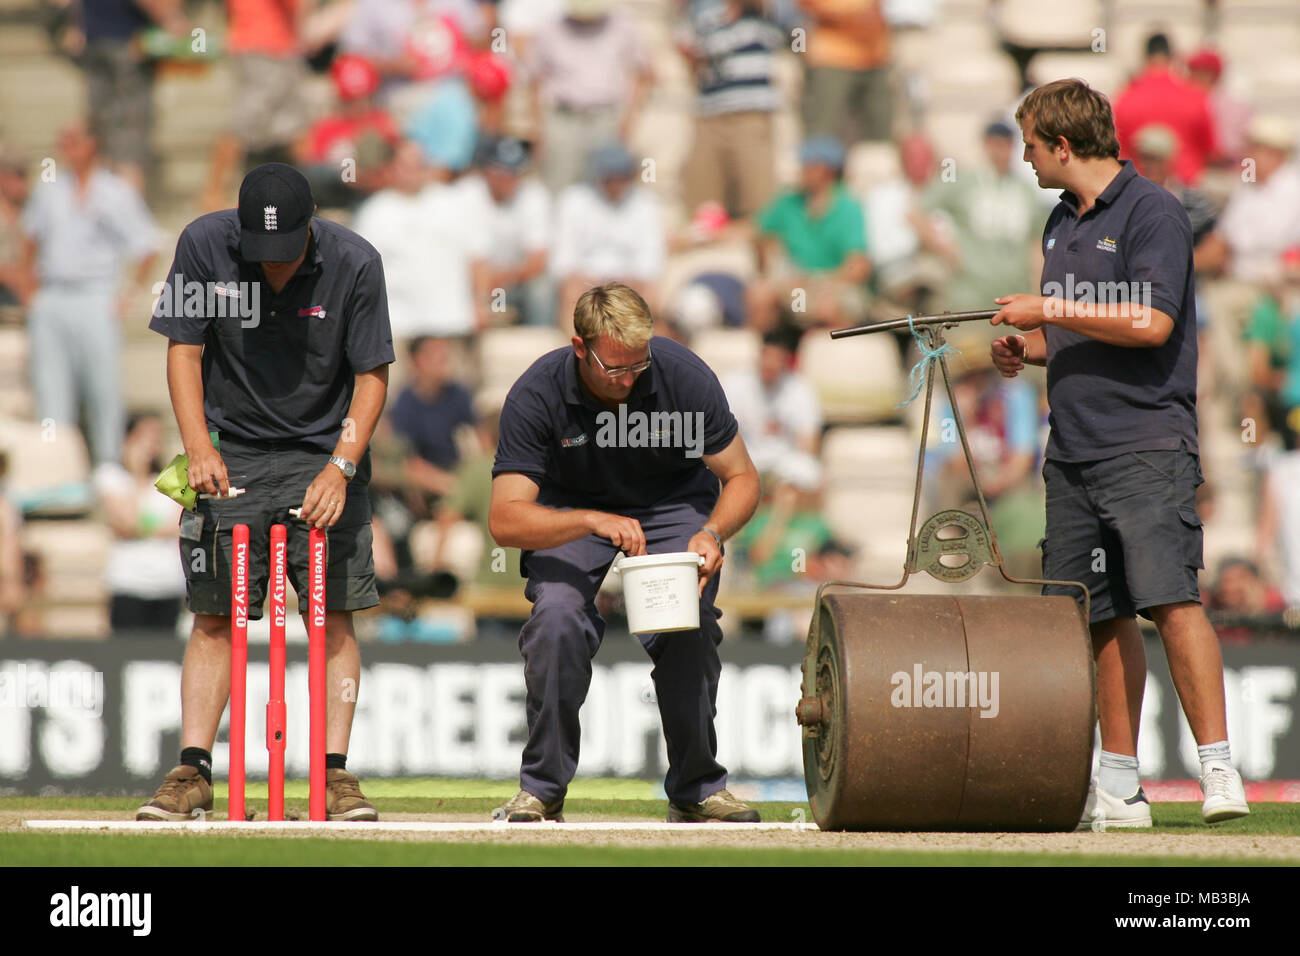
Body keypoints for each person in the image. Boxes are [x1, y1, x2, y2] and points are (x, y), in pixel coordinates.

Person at [990, 79, 1249, 828]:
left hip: (1145, 444)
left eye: (1033, 146)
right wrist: (1029, 348)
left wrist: (1049, 310)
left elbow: (1151, 324)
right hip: (1071, 450)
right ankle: (1121, 784)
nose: (1028, 159)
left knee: (1171, 600)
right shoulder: (1056, 221)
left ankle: (1218, 769)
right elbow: (1079, 333)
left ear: (1063, 146)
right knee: (1096, 616)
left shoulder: (1154, 211)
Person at [138, 163, 395, 821]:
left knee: (331, 613)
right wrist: (197, 445)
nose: (274, 267)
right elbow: (184, 351)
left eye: (287, 253)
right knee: (215, 615)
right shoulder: (204, 244)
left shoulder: (355, 261)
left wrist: (341, 465)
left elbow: (371, 376)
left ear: (313, 224)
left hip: (322, 453)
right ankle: (192, 771)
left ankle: (334, 776)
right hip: (232, 448)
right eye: (262, 254)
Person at [487, 281, 762, 822]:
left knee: (689, 622)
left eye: (639, 365)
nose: (629, 379)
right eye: (615, 369)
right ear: (578, 348)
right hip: (572, 510)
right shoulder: (537, 392)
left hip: (673, 504)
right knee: (558, 620)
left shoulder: (683, 375)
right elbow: (504, 519)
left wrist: (713, 533)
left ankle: (697, 786)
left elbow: (743, 478)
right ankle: (542, 788)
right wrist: (590, 520)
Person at [19, 120, 161, 468]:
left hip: (97, 293)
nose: (66, 147)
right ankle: (56, 467)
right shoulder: (49, 188)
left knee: (103, 387)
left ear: (93, 144)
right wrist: (31, 292)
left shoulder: (115, 191)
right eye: (63, 139)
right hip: (52, 293)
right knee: (51, 387)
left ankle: (108, 465)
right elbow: (29, 239)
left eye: (74, 139)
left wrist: (127, 294)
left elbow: (147, 245)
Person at [914, 120, 1047, 313]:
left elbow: (1035, 241)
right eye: (997, 145)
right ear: (985, 145)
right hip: (970, 295)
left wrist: (1038, 287)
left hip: (1015, 293)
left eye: (1007, 145)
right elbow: (916, 210)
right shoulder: (964, 180)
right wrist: (941, 246)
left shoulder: (1025, 188)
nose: (1002, 152)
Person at [527, 0, 653, 193]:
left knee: (603, 189)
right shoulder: (550, 27)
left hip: (606, 119)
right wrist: (538, 129)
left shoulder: (622, 25)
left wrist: (630, 119)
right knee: (556, 186)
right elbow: (534, 79)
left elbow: (643, 72)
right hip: (562, 119)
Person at [676, 0, 785, 220]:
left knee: (760, 203)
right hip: (710, 114)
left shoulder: (761, 14)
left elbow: (789, 25)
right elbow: (692, 54)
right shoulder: (703, 14)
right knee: (702, 205)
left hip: (750, 115)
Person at [749, 136, 870, 332]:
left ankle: (826, 358)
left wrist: (815, 281)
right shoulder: (789, 202)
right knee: (760, 295)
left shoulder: (849, 208)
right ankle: (769, 352)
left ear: (826, 170)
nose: (801, 171)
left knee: (827, 308)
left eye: (808, 165)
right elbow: (756, 230)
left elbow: (857, 268)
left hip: (832, 286)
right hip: (796, 285)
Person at [94, 411, 186, 636]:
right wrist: (137, 473)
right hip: (128, 583)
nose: (152, 444)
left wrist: (144, 528)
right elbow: (127, 522)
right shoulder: (111, 475)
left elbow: (179, 526)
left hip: (168, 584)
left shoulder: (174, 476)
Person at [1112, 32, 1215, 185]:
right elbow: (1210, 150)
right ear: (1172, 56)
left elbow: (1119, 152)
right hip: (1187, 187)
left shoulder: (1124, 98)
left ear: (1145, 57)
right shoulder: (1195, 96)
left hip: (1139, 188)